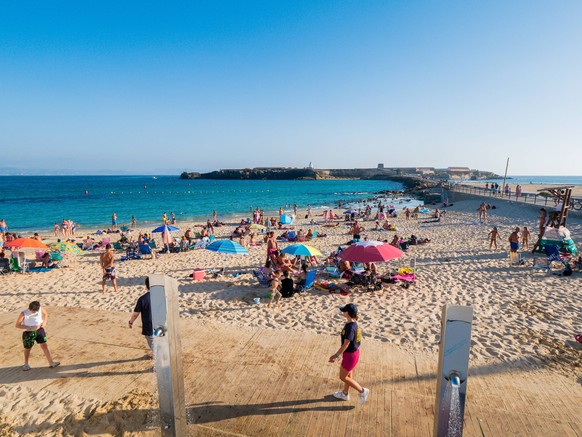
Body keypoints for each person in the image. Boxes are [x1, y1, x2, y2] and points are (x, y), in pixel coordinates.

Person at [328, 303, 369, 405]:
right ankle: (345, 394)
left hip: (350, 356)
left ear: (349, 313)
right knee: (348, 375)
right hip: (354, 354)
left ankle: (362, 391)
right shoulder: (353, 324)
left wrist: (336, 356)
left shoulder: (350, 328)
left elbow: (346, 344)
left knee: (343, 377)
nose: (343, 312)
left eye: (344, 311)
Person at [15, 301, 60, 371]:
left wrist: (44, 322)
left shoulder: (40, 308)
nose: (34, 312)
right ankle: (26, 364)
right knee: (28, 348)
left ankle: (51, 363)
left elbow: (45, 314)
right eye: (33, 311)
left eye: (36, 311)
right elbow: (17, 325)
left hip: (40, 330)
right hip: (28, 333)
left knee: (44, 345)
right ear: (30, 308)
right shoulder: (24, 313)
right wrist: (30, 328)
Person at [129, 277, 154, 359]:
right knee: (159, 339)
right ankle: (155, 353)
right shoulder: (161, 296)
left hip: (149, 326)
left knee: (152, 342)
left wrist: (131, 321)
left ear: (146, 286)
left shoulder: (142, 299)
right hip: (160, 324)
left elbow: (135, 314)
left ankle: (156, 355)